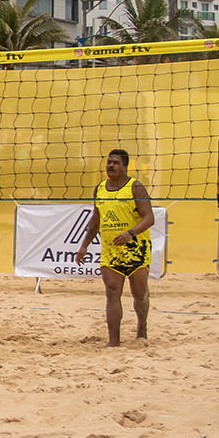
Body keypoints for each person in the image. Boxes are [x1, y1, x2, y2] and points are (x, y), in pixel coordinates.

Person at [73, 149, 156, 347]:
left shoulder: (135, 187)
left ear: (124, 167)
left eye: (115, 163)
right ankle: (113, 341)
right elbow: (96, 220)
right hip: (111, 251)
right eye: (109, 162)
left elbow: (149, 218)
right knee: (112, 292)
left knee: (139, 293)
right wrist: (83, 246)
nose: (110, 166)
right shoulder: (100, 189)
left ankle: (141, 329)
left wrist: (130, 233)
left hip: (136, 249)